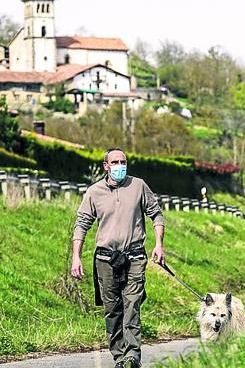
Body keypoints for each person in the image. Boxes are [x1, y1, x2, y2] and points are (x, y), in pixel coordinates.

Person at [70, 148, 165, 368]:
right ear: (106, 166)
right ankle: (119, 357)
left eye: (123, 161)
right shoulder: (94, 192)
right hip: (105, 259)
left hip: (134, 257)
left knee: (132, 306)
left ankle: (133, 356)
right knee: (113, 310)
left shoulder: (138, 185)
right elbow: (82, 224)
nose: (120, 165)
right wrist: (76, 257)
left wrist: (159, 245)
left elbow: (156, 213)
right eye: (115, 162)